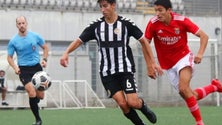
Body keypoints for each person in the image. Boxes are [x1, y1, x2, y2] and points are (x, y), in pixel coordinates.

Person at [60, 0, 163, 125]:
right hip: (107, 73)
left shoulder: (126, 24)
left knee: (132, 103)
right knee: (122, 104)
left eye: (105, 6)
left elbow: (144, 41)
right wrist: (66, 52)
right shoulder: (96, 26)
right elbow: (78, 41)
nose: (102, 9)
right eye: (101, 7)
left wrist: (151, 63)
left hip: (125, 69)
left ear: (113, 5)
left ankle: (143, 107)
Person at [144, 0, 222, 125]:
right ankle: (214, 87)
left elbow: (204, 36)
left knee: (183, 87)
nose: (157, 14)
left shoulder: (181, 20)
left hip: (183, 58)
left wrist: (200, 54)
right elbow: (144, 43)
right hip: (168, 65)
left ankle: (199, 122)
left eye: (160, 10)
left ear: (169, 10)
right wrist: (150, 64)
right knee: (191, 95)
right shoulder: (153, 24)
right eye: (156, 11)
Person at [7, 16, 49, 125]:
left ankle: (35, 101)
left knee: (40, 96)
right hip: (24, 70)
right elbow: (9, 57)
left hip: (37, 68)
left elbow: (45, 47)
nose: (21, 25)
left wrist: (44, 59)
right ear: (17, 25)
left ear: (26, 23)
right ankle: (38, 120)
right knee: (31, 92)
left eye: (23, 23)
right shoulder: (13, 41)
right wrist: (15, 67)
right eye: (19, 23)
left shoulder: (35, 36)